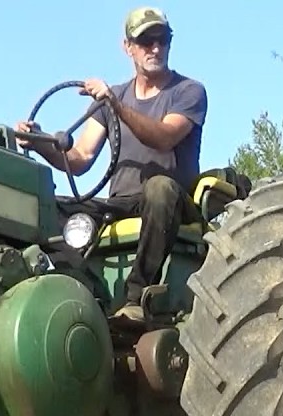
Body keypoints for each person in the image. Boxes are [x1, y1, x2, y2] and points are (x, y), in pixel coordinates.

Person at [15, 6, 208, 324]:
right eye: (146, 41)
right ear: (128, 47)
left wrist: (115, 105)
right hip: (121, 203)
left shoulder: (188, 91)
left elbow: (164, 137)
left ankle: (136, 298)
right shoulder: (112, 98)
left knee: (160, 188)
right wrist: (40, 142)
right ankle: (90, 295)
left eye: (163, 39)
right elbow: (79, 159)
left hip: (171, 204)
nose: (156, 48)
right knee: (45, 209)